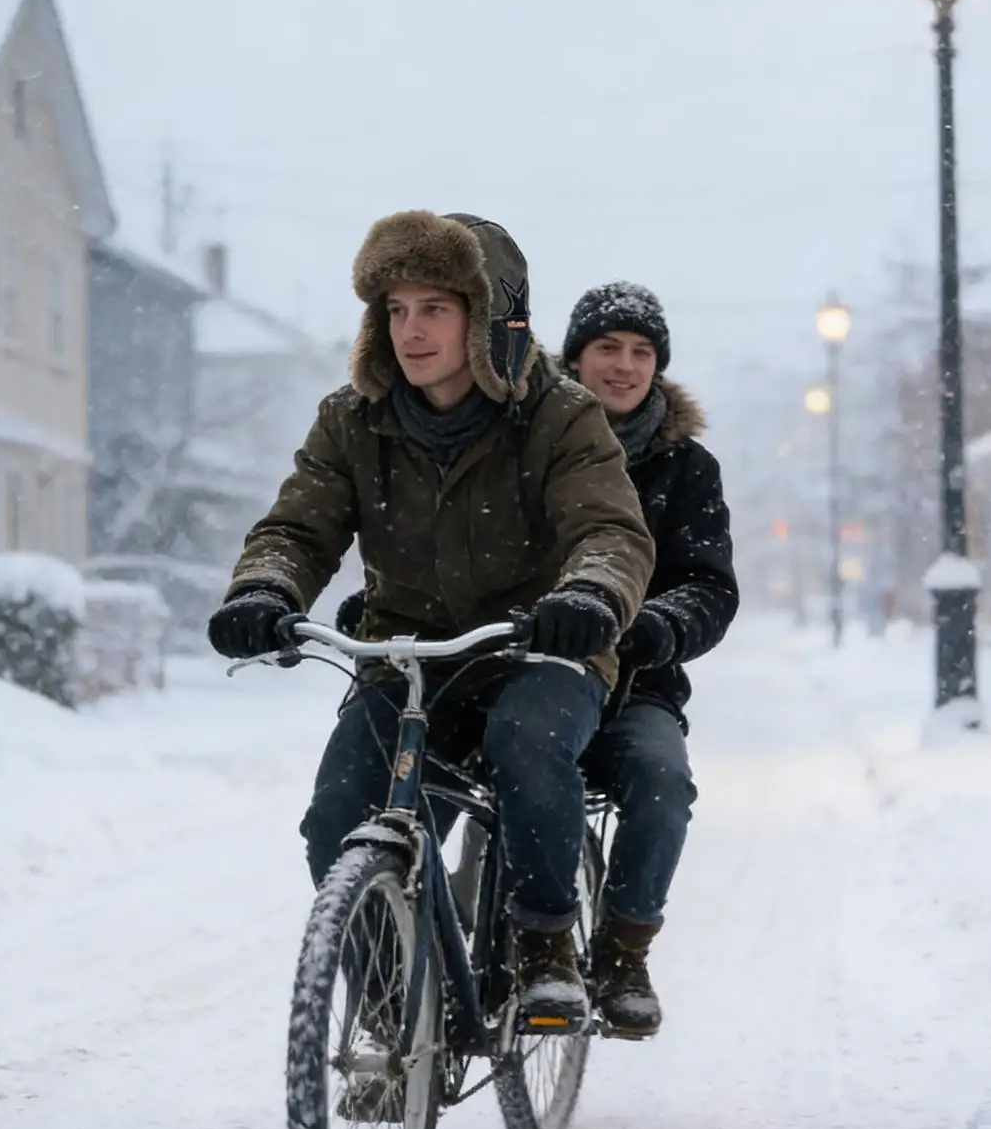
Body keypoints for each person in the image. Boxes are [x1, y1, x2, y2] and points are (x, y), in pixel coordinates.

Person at [207, 212, 654, 1027]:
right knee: (337, 816)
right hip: (409, 655)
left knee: (528, 744)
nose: (410, 331)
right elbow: (297, 528)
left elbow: (608, 529)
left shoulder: (560, 415)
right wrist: (263, 590)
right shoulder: (351, 418)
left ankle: (543, 941)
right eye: (395, 309)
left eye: (434, 308)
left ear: (487, 318)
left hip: (538, 647)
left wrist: (587, 596)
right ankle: (390, 1018)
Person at [560, 281, 738, 1037]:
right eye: (608, 348)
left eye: (641, 352)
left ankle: (623, 948)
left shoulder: (686, 468)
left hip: (635, 682)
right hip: (526, 669)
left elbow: (709, 583)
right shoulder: (527, 443)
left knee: (662, 782)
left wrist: (657, 628)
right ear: (574, 359)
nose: (625, 366)